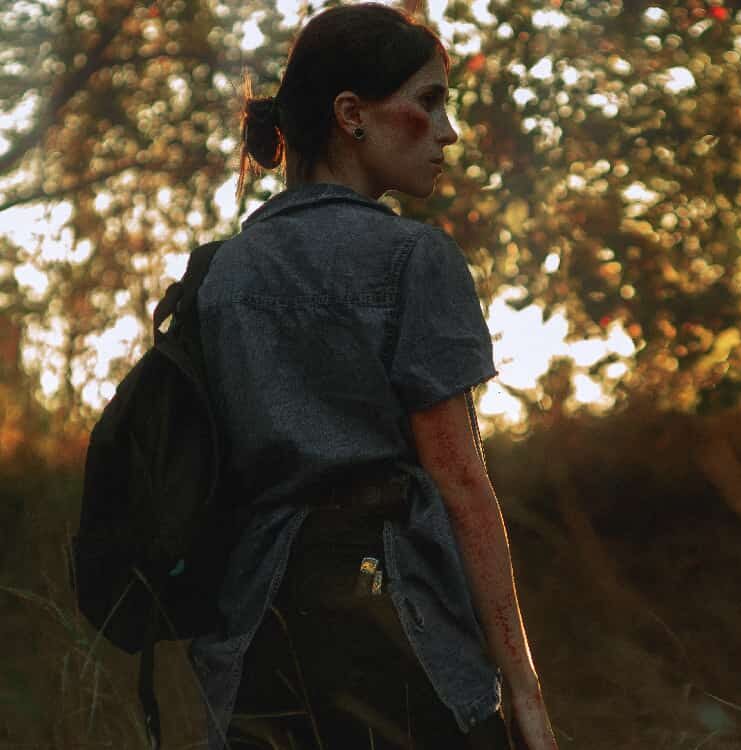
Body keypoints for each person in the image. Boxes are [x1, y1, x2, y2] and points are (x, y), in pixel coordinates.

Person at [189, 4, 558, 749]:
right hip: (393, 623)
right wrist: (523, 690)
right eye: (429, 102)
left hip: (255, 632)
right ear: (352, 115)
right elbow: (460, 482)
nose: (448, 132)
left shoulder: (217, 273)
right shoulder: (412, 259)